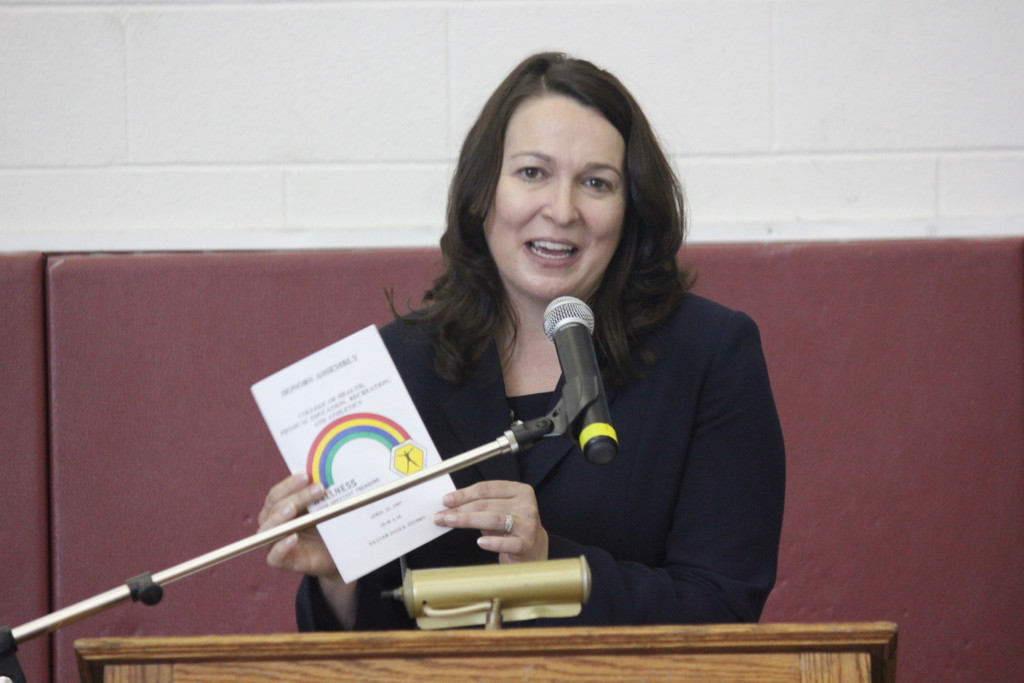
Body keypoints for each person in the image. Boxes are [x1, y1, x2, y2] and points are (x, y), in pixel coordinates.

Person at [258, 52, 785, 630]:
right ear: (483, 194)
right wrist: (338, 576)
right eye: (532, 173)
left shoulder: (708, 354)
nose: (561, 210)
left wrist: (548, 562)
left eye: (596, 183)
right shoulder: (402, 366)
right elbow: (380, 638)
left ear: (630, 209)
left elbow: (722, 608)